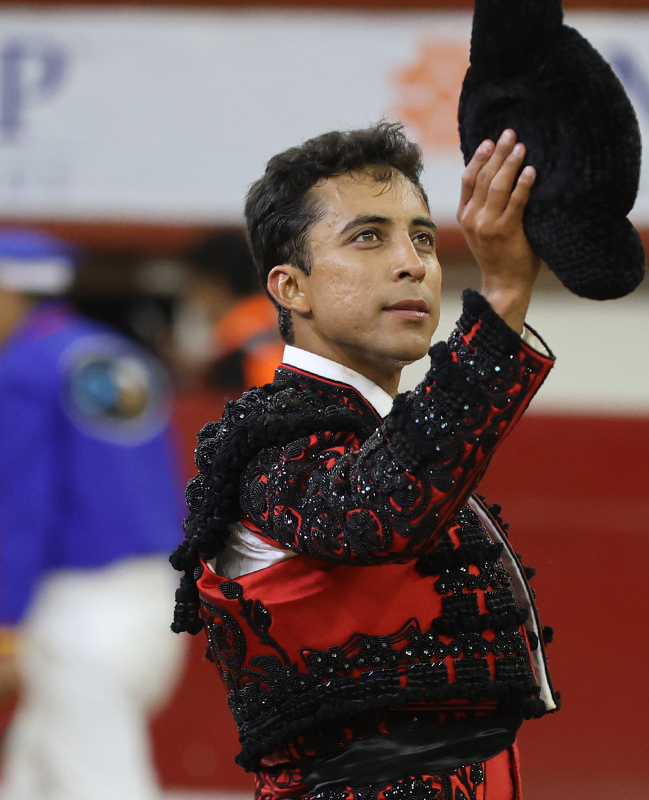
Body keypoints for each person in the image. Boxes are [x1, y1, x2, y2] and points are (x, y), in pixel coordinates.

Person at [170, 122, 558, 800]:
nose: (412, 263)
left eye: (424, 238)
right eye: (368, 237)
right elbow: (380, 513)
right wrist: (501, 299)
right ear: (291, 288)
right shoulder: (266, 444)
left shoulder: (371, 433)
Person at [0, 229, 186, 800]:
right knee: (35, 774)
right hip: (154, 601)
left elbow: (20, 508)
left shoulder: (23, 369)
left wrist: (6, 624)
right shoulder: (120, 356)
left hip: (75, 611)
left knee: (98, 785)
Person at [181, 230, 284, 391]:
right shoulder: (280, 311)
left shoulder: (231, 341)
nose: (191, 297)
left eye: (193, 285)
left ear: (213, 284)